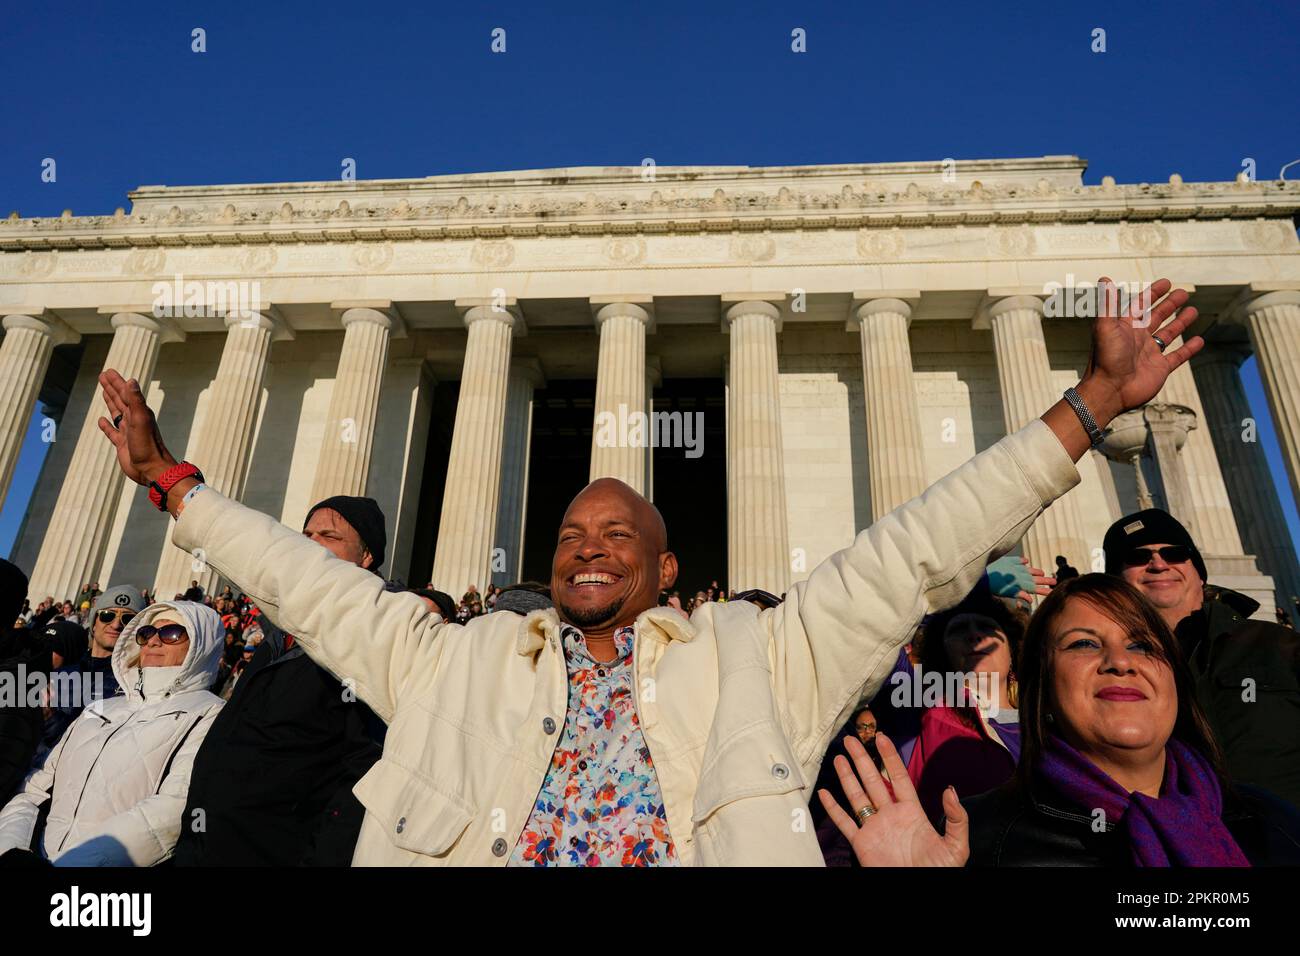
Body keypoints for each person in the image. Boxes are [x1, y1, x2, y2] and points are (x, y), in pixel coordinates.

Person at [98, 277, 1202, 865]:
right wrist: (171, 482)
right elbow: (305, 583)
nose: (588, 544)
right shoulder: (456, 661)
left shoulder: (763, 655)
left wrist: (1092, 406)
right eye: (574, 531)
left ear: (669, 565)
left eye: (619, 533)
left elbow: (918, 548)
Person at [820, 575, 1300, 867]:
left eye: (1142, 645)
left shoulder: (1274, 823)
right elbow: (865, 625)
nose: (1120, 660)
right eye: (1084, 644)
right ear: (1043, 687)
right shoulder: (983, 840)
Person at [168, 494, 386, 866]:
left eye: (329, 536)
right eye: (306, 533)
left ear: (366, 558)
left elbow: (363, 776)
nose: (309, 543)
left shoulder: (372, 641)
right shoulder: (275, 638)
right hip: (203, 848)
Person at [0, 602, 224, 866]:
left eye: (172, 633)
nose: (153, 641)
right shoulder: (100, 707)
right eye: (146, 633)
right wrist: (12, 848)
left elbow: (171, 812)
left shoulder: (211, 713)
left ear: (202, 645)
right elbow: (36, 785)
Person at [1103, 508, 1300, 808]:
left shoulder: (1278, 644)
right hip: (1181, 846)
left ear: (1197, 570)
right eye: (1138, 557)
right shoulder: (1110, 669)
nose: (1158, 564)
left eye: (1175, 553)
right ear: (1116, 581)